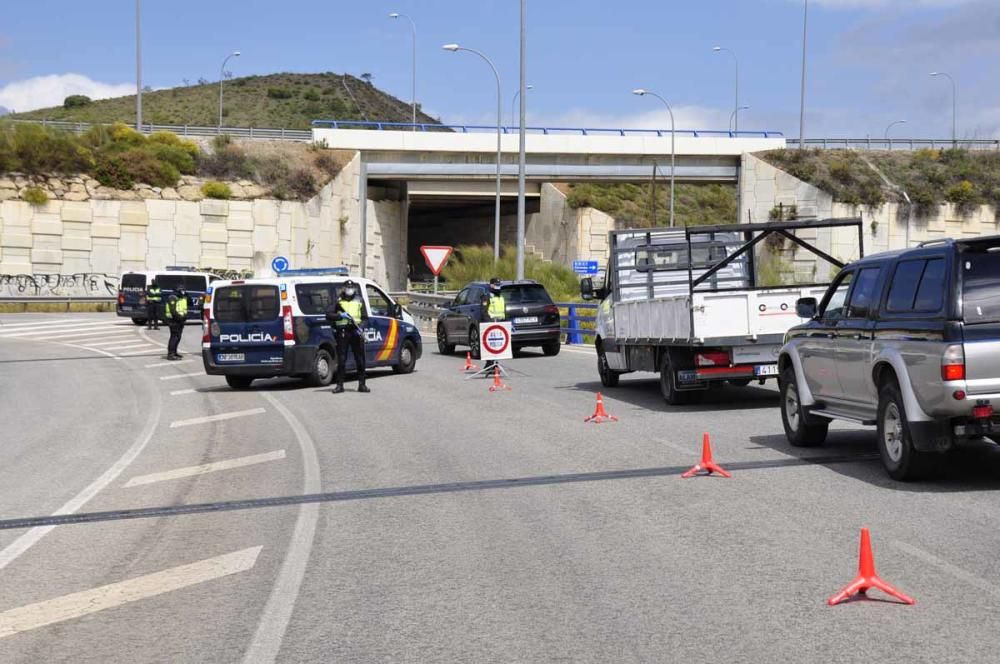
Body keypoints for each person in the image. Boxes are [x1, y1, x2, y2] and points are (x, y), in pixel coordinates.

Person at [326, 279, 369, 393]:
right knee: (342, 359)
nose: (350, 290)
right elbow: (329, 315)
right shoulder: (337, 300)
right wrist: (340, 316)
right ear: (343, 289)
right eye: (347, 288)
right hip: (343, 331)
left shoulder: (359, 300)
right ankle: (340, 386)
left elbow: (365, 318)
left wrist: (361, 328)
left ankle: (362, 385)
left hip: (356, 331)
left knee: (360, 359)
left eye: (351, 288)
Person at [481, 277, 506, 369]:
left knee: (498, 345)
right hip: (490, 325)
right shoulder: (487, 296)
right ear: (491, 285)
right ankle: (490, 364)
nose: (498, 287)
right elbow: (484, 311)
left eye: (499, 285)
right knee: (491, 345)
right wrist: (489, 323)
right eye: (496, 285)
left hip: (500, 325)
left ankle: (493, 364)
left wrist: (506, 322)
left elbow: (504, 311)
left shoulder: (500, 297)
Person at [165, 287, 188, 360]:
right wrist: (180, 318)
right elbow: (173, 311)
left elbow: (188, 304)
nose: (183, 292)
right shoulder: (172, 297)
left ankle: (174, 352)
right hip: (173, 320)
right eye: (182, 290)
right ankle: (171, 354)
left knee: (178, 337)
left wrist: (183, 318)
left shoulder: (181, 298)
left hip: (179, 320)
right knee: (174, 337)